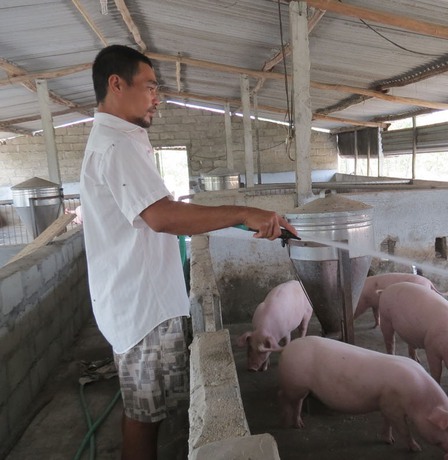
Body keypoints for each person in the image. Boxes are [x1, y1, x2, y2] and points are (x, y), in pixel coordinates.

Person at [80, 44, 298, 460]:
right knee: (144, 416)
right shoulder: (115, 146)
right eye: (149, 87)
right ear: (116, 84)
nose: (156, 97)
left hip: (140, 300)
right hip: (140, 307)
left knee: (150, 411)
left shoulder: (122, 140)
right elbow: (162, 216)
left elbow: (158, 213)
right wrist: (244, 212)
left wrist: (241, 218)